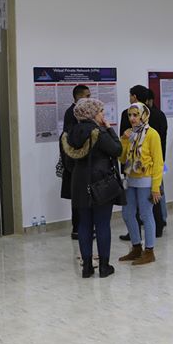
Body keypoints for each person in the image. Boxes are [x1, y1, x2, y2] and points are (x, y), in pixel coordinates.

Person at [61, 97, 122, 278]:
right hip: (100, 182)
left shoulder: (68, 135)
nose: (103, 115)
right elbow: (117, 150)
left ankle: (86, 267)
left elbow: (68, 163)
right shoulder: (99, 132)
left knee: (84, 225)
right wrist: (110, 128)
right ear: (93, 113)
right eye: (101, 111)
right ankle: (104, 266)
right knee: (102, 224)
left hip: (79, 183)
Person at [117, 103, 164, 266]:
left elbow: (158, 162)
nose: (132, 118)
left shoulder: (152, 134)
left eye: (135, 115)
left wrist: (156, 187)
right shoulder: (130, 134)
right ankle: (136, 247)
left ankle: (149, 251)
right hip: (130, 178)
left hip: (146, 180)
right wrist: (124, 140)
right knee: (127, 213)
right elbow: (122, 159)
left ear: (144, 115)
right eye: (130, 115)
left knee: (145, 214)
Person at [61, 84, 90, 240]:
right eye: (87, 96)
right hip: (75, 164)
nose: (89, 98)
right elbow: (72, 140)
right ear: (78, 97)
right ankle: (77, 228)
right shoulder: (71, 114)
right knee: (78, 199)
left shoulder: (83, 114)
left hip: (82, 165)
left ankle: (83, 227)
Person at [145, 90, 168, 238]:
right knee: (160, 190)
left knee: (157, 191)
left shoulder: (153, 121)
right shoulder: (160, 115)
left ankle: (159, 223)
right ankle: (162, 220)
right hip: (159, 159)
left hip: (154, 162)